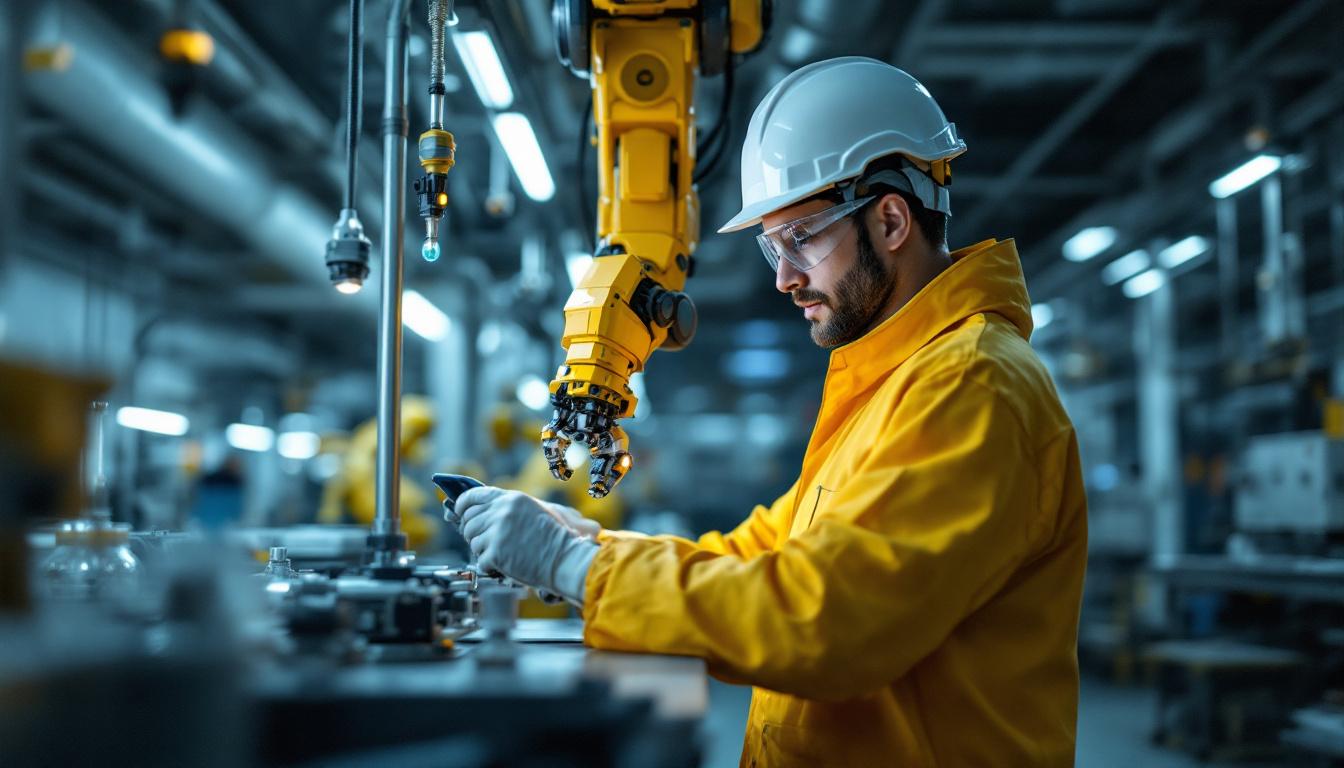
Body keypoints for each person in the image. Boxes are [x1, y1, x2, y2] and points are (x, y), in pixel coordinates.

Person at [453, 57, 1088, 767]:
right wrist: (589, 548)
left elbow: (828, 620)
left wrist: (577, 568)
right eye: (772, 247)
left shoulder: (971, 385)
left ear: (890, 219)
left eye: (801, 238)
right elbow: (760, 556)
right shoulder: (892, 383)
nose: (784, 277)